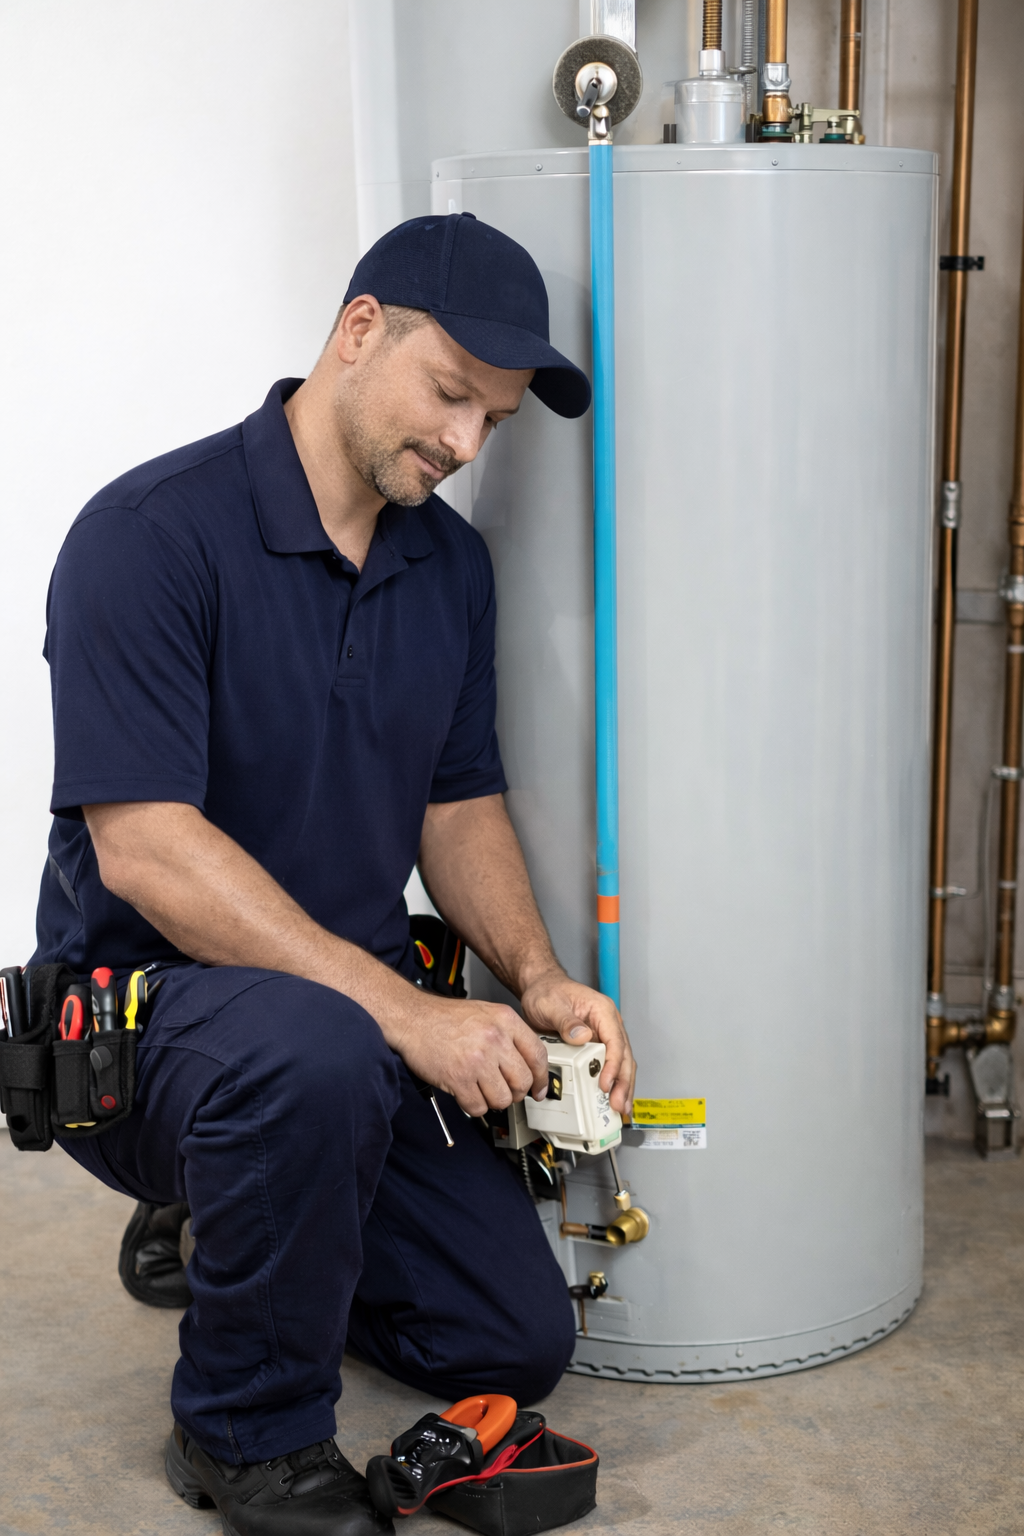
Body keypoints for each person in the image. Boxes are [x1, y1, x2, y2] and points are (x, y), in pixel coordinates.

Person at [31, 212, 635, 1536]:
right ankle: (243, 1435)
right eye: (450, 396)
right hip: (152, 1024)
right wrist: (408, 1012)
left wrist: (533, 977)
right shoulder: (148, 537)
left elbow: (456, 802)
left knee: (510, 1341)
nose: (467, 444)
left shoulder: (448, 569)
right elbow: (145, 847)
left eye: (496, 421)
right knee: (309, 1052)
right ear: (359, 331)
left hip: (344, 1042)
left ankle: (237, 1221)